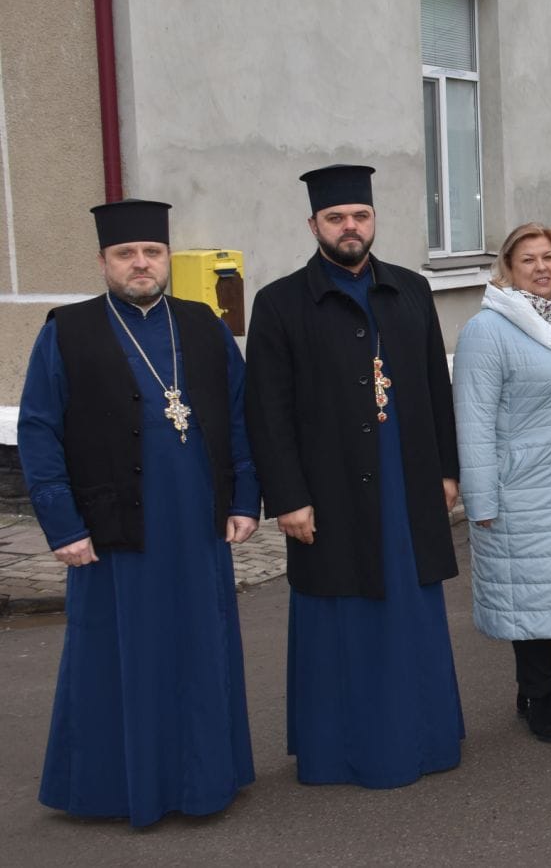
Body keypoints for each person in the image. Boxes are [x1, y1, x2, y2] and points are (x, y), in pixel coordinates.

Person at [18, 199, 259, 826]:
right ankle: (114, 789)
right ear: (103, 261)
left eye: (152, 252)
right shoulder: (65, 331)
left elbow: (239, 417)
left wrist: (243, 498)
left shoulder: (204, 324)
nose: (141, 264)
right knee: (119, 653)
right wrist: (62, 525)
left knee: (199, 647)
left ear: (167, 258)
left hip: (197, 523)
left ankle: (204, 780)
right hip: (111, 523)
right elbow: (40, 432)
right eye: (126, 254)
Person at [245, 164, 465, 787]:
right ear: (313, 223)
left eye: (360, 216)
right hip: (330, 488)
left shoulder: (411, 289)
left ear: (374, 220)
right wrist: (287, 497)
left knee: (410, 610)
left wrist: (447, 470)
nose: (350, 227)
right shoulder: (281, 302)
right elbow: (268, 410)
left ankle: (425, 739)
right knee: (340, 615)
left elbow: (433, 386)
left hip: (405, 480)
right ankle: (342, 750)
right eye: (336, 217)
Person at [454, 223, 551, 744]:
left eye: (549, 257)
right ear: (507, 270)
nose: (541, 267)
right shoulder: (488, 330)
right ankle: (537, 698)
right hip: (521, 491)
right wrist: (481, 497)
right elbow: (472, 421)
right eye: (528, 260)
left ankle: (540, 692)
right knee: (531, 599)